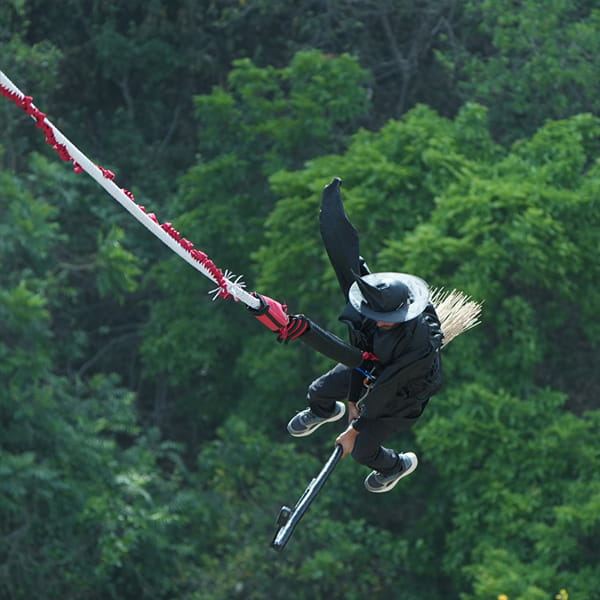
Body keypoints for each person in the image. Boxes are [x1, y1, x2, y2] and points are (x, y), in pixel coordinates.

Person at [251, 178, 444, 493]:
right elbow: (348, 264)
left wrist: (356, 428)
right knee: (319, 391)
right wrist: (331, 213)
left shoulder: (418, 345)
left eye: (387, 319)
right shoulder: (370, 305)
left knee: (363, 451)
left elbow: (384, 388)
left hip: (403, 390)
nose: (379, 321)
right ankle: (325, 412)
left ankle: (397, 466)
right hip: (373, 368)